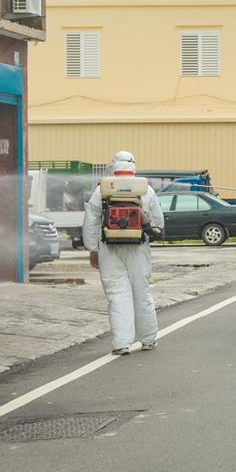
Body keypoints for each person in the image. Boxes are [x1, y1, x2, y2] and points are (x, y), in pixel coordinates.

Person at [83, 152, 164, 355]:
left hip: (109, 249)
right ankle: (148, 339)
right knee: (142, 293)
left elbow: (91, 221)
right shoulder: (146, 189)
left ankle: (121, 344)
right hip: (139, 248)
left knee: (117, 295)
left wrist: (92, 249)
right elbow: (158, 222)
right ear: (133, 167)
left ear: (113, 166)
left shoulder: (102, 189)